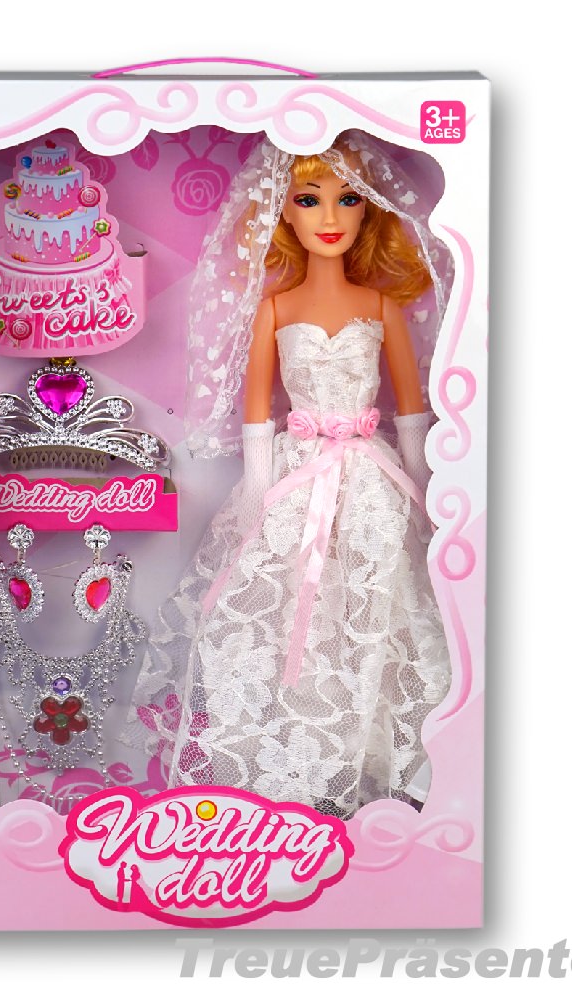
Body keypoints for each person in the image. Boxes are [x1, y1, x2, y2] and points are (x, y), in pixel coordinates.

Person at [127, 133, 452, 818]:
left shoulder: (380, 307)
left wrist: (424, 485)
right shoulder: (276, 308)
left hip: (369, 477)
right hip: (297, 476)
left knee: (375, 601)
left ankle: (373, 755)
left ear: (369, 211)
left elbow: (411, 406)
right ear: (284, 211)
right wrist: (256, 488)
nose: (329, 216)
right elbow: (257, 410)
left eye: (347, 199)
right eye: (309, 200)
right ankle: (292, 756)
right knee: (281, 605)